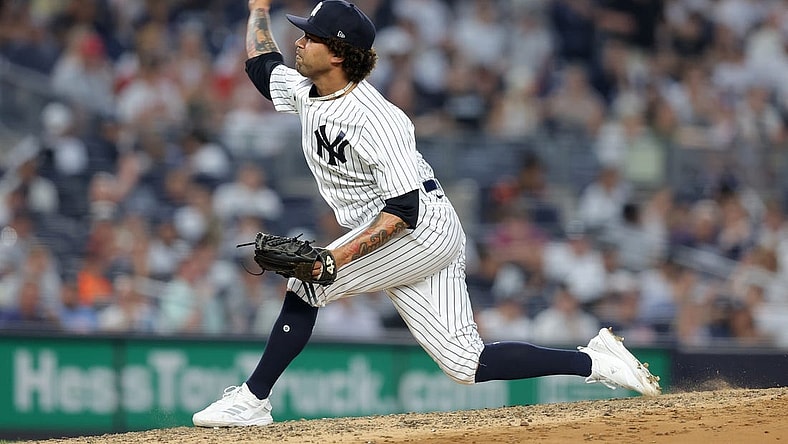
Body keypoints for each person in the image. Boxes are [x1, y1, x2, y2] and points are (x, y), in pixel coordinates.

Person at [192, 0, 661, 427]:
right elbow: (260, 63)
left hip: (419, 230)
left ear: (337, 52)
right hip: (399, 231)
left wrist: (337, 260)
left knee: (308, 282)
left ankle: (253, 400)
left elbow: (404, 208)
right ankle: (597, 361)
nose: (299, 40)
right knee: (465, 363)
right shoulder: (306, 90)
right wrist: (257, 8)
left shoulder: (378, 119)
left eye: (310, 36)